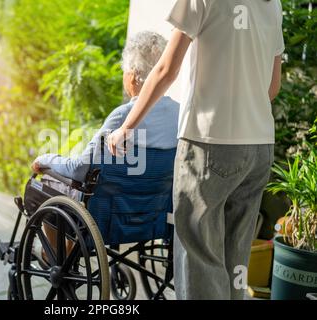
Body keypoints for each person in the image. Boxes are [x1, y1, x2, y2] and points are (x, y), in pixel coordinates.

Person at [107, 0, 284, 300]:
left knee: (199, 256)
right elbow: (272, 86)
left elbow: (165, 69)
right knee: (234, 255)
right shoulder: (273, 4)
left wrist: (127, 126)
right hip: (259, 147)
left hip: (210, 143)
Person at [30, 31, 180, 265]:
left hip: (106, 217)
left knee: (43, 185)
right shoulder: (180, 115)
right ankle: (67, 251)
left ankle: (55, 256)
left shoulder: (123, 117)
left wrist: (46, 159)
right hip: (152, 215)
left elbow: (80, 169)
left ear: (132, 77)